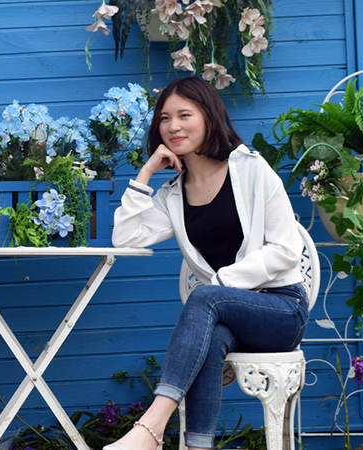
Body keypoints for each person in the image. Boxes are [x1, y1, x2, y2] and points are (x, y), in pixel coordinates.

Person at [108, 77, 309, 450]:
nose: (173, 126)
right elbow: (125, 237)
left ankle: (150, 428)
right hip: (226, 316)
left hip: (282, 309)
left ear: (209, 116)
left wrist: (220, 284)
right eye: (165, 118)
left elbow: (285, 250)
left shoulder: (251, 169)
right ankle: (197, 446)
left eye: (185, 115)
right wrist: (146, 172)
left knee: (205, 296)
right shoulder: (173, 195)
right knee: (211, 335)